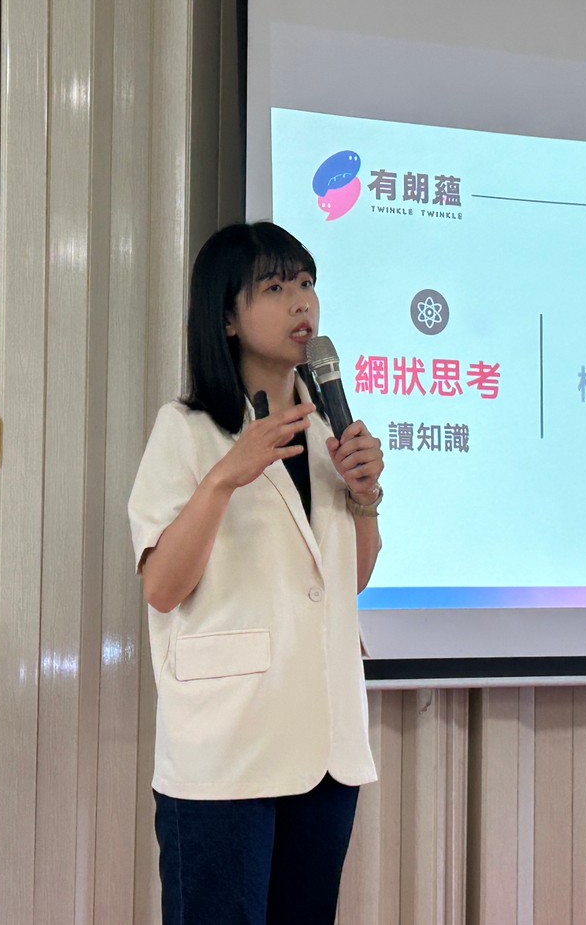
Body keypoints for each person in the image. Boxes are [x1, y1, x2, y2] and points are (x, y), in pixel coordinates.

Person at [128, 221, 386, 925]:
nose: (301, 302)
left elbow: (348, 583)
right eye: (274, 287)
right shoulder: (187, 429)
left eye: (306, 283)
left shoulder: (329, 434)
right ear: (227, 318)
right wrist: (224, 477)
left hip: (324, 747)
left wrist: (365, 500)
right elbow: (162, 587)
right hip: (228, 746)